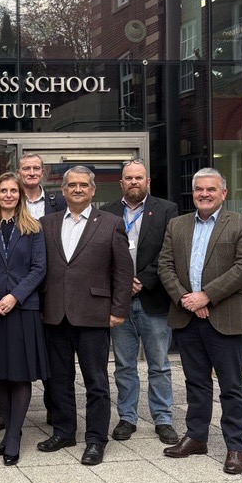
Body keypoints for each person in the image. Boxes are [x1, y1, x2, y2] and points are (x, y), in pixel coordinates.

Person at [158, 168, 242, 475]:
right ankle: (196, 437)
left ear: (223, 193)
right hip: (187, 317)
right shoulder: (177, 225)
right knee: (196, 383)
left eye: (211, 189)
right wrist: (186, 299)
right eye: (199, 189)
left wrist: (206, 296)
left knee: (231, 386)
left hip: (226, 317)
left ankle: (234, 447)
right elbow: (165, 266)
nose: (204, 194)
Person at [37, 166, 133, 467]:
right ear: (63, 191)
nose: (77, 189)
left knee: (96, 381)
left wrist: (119, 310)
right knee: (58, 380)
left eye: (83, 185)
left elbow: (122, 270)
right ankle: (64, 431)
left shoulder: (111, 223)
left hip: (94, 314)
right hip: (54, 315)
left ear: (93, 190)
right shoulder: (46, 223)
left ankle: (95, 440)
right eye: (71, 185)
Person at [99, 160, 179, 445]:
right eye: (129, 178)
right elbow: (101, 254)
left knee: (159, 364)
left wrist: (142, 279)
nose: (134, 182)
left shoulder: (167, 210)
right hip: (119, 302)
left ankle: (163, 418)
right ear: (121, 183)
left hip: (153, 298)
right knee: (124, 364)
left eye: (139, 178)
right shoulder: (107, 211)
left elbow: (170, 251)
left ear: (148, 182)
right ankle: (127, 417)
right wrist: (122, 284)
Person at [0, 173, 47, 466]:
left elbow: (39, 269)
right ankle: (10, 430)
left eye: (13, 190)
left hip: (21, 308)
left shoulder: (34, 229)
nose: (9, 195)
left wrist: (15, 296)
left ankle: (13, 434)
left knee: (20, 372)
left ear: (21, 195)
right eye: (3, 190)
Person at [0, 152, 67, 434]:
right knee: (12, 356)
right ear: (19, 172)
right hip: (20, 297)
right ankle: (7, 412)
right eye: (26, 168)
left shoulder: (57, 202)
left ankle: (54, 407)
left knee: (49, 355)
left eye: (36, 168)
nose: (31, 172)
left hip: (50, 291)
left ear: (43, 172)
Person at [18, 153, 67, 220]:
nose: (32, 173)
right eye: (26, 169)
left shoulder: (59, 201)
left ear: (42, 173)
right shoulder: (11, 201)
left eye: (36, 168)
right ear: (18, 173)